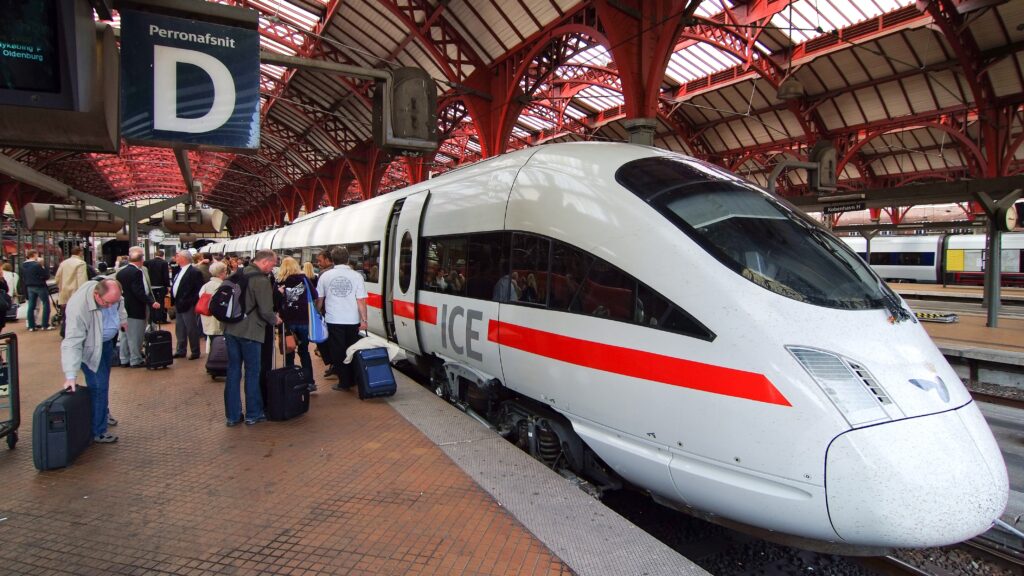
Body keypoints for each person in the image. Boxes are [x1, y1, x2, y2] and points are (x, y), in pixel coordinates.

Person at [60, 279, 127, 444]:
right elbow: (72, 342)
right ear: (97, 295)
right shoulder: (78, 308)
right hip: (89, 349)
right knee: (99, 386)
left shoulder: (113, 296)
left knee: (103, 384)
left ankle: (102, 412)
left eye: (114, 302)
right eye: (107, 303)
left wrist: (122, 319)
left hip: (105, 344)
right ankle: (98, 431)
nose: (110, 306)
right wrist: (70, 375)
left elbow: (120, 305)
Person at [223, 249, 280, 426]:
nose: (273, 267)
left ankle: (232, 416)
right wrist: (275, 319)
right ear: (265, 262)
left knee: (233, 372)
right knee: (252, 373)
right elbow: (265, 310)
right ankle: (253, 414)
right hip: (250, 332)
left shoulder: (236, 274)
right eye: (273, 264)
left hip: (231, 329)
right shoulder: (260, 280)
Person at [316, 247, 367, 391]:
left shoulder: (325, 276)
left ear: (332, 260)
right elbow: (361, 301)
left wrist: (317, 312)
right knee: (352, 349)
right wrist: (364, 320)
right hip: (352, 320)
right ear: (348, 259)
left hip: (333, 319)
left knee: (338, 351)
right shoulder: (357, 276)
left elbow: (320, 299)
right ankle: (354, 379)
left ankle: (344, 382)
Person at [114, 247, 159, 368]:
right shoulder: (137, 272)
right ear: (141, 260)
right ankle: (136, 360)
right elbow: (138, 291)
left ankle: (124, 359)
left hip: (123, 307)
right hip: (135, 308)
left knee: (124, 335)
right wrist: (151, 302)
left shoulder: (121, 272)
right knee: (135, 336)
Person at [277, 257, 316, 391]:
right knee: (304, 351)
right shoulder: (304, 279)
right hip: (304, 320)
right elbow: (315, 295)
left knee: (289, 352)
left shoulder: (280, 281)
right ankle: (310, 381)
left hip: (286, 322)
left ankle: (290, 381)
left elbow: (275, 301)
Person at [170, 250, 204, 359]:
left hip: (188, 304)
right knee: (180, 328)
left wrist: (191, 302)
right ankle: (181, 350)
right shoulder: (179, 271)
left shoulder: (194, 272)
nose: (176, 258)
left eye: (178, 256)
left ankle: (195, 351)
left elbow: (199, 290)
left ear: (184, 258)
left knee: (191, 328)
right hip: (179, 303)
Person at [313, 250, 335, 373]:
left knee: (326, 340)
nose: (318, 263)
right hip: (339, 312)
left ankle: (333, 364)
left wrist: (317, 311)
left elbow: (319, 295)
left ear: (328, 260)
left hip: (327, 311)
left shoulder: (324, 274)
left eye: (320, 260)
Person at [198, 261, 227, 353]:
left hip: (207, 318)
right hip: (218, 320)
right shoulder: (222, 286)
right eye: (226, 271)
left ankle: (212, 361)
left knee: (211, 341)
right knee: (219, 344)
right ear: (221, 273)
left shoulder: (205, 285)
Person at [55, 246, 89, 322]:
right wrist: (84, 294)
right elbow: (82, 280)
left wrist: (60, 287)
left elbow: (57, 278)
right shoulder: (81, 263)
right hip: (75, 292)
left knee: (66, 315)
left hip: (64, 292)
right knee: (76, 316)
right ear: (80, 253)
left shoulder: (63, 263)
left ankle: (64, 331)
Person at [20, 250, 51, 332]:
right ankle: (45, 325)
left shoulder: (23, 265)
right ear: (34, 254)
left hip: (29, 287)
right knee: (46, 304)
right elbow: (46, 276)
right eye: (37, 254)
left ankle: (31, 326)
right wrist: (43, 266)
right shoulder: (37, 265)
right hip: (40, 286)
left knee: (31, 306)